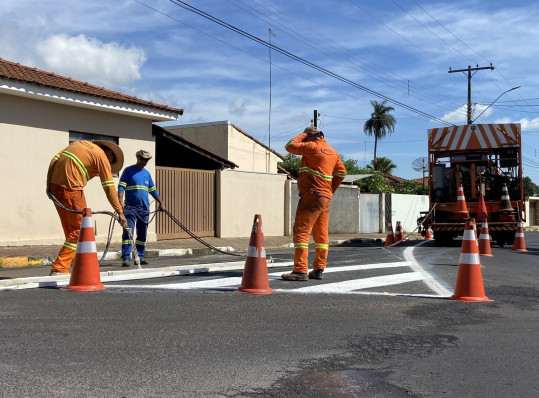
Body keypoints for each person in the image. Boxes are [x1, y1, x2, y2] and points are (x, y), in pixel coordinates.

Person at [46, 140, 128, 276]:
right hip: (72, 189)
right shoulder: (101, 156)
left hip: (56, 187)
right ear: (108, 152)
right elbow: (109, 187)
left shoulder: (81, 144)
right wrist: (120, 211)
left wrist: (48, 185)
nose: (108, 164)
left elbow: (55, 158)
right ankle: (59, 268)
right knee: (78, 231)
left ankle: (73, 264)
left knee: (71, 232)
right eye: (111, 160)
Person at [281, 126, 347, 281]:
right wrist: (330, 189)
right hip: (325, 197)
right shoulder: (333, 151)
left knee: (301, 232)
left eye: (306, 138)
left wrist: (304, 134)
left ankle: (300, 270)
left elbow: (289, 146)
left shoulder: (311, 147)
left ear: (311, 137)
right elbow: (341, 172)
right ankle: (318, 269)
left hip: (311, 195)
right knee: (321, 235)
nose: (303, 141)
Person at [118, 150, 165, 267]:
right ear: (138, 157)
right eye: (142, 159)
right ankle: (126, 258)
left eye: (146, 160)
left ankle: (139, 256)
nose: (144, 162)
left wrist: (161, 202)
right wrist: (120, 202)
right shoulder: (128, 171)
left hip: (144, 209)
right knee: (128, 232)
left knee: (142, 235)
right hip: (130, 208)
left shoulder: (147, 174)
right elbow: (121, 187)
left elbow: (153, 190)